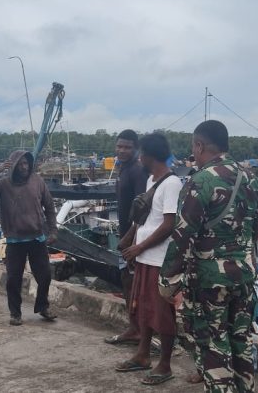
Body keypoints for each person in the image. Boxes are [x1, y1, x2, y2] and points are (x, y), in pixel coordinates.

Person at [159, 120, 258, 393]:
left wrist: (168, 280)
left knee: (212, 346)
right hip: (244, 274)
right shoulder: (250, 177)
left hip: (208, 280)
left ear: (199, 145)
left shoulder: (201, 180)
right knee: (241, 340)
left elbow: (183, 234)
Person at [115, 133, 182, 386]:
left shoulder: (172, 183)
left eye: (141, 153)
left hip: (159, 259)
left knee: (162, 313)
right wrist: (130, 240)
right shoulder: (152, 180)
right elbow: (144, 217)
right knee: (142, 308)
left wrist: (139, 246)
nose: (139, 157)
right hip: (145, 257)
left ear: (148, 156)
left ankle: (164, 364)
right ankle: (142, 354)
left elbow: (168, 224)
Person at [0, 150, 58, 326]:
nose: (24, 167)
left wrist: (53, 231)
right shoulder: (4, 184)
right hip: (15, 240)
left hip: (37, 238)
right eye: (21, 164)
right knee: (13, 280)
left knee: (45, 275)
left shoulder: (37, 181)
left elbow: (50, 206)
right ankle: (15, 313)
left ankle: (43, 306)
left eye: (27, 163)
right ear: (14, 166)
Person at [105, 129, 148, 345]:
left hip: (133, 238)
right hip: (126, 235)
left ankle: (139, 329)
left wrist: (130, 238)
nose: (122, 150)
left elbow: (143, 208)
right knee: (127, 282)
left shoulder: (137, 171)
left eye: (127, 147)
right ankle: (134, 327)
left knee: (133, 283)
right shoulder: (123, 170)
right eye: (119, 146)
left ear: (136, 149)